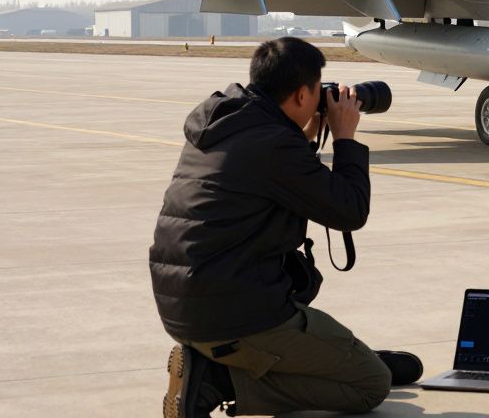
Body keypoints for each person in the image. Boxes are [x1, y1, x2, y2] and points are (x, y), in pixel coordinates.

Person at [151, 37, 421, 417]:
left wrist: (303, 134)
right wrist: (345, 138)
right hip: (232, 313)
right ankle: (218, 380)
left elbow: (265, 177)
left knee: (358, 364)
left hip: (184, 304)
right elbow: (349, 210)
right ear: (300, 95)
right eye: (318, 89)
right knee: (371, 384)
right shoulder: (274, 145)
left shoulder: (225, 122)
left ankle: (317, 359)